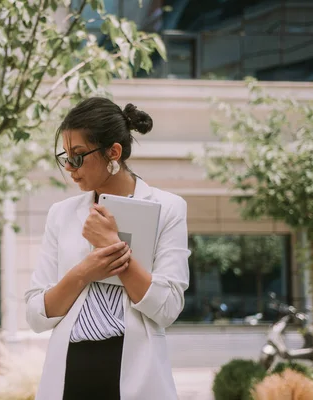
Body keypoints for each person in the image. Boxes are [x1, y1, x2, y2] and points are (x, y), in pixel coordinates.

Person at [24, 97, 191, 400]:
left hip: (135, 373)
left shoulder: (168, 209)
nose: (70, 168)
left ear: (113, 152)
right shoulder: (61, 215)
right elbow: (36, 314)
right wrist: (84, 272)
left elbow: (167, 308)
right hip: (70, 372)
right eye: (65, 157)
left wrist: (113, 247)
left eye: (78, 156)